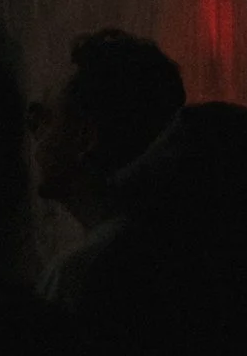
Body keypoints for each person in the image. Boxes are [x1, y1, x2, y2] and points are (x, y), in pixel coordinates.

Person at [28, 29, 184, 309]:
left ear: (85, 139)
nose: (36, 134)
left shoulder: (78, 276)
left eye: (46, 117)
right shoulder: (174, 250)